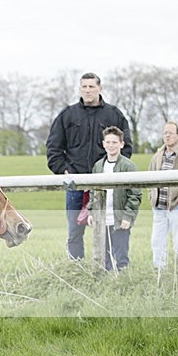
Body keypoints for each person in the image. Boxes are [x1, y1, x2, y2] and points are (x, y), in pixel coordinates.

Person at [46, 72, 132, 260]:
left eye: (92, 86)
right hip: (76, 185)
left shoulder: (113, 114)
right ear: (80, 89)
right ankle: (77, 270)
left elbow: (126, 147)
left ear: (100, 89)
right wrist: (66, 172)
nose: (88, 90)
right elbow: (53, 149)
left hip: (106, 186)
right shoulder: (67, 115)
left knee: (108, 230)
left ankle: (108, 269)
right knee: (74, 233)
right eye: (84, 86)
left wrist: (112, 173)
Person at [86, 126, 141, 271]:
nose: (111, 145)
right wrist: (91, 212)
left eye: (115, 142)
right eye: (108, 142)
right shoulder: (98, 166)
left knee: (121, 257)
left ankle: (122, 286)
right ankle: (105, 285)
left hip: (119, 219)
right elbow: (93, 192)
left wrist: (127, 216)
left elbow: (135, 194)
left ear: (122, 144)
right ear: (103, 144)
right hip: (102, 218)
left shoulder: (128, 166)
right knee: (103, 257)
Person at [148, 121, 178, 270]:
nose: (167, 136)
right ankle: (160, 273)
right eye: (165, 133)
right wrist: (153, 198)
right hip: (159, 208)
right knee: (157, 242)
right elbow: (149, 179)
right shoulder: (157, 156)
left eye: (170, 133)